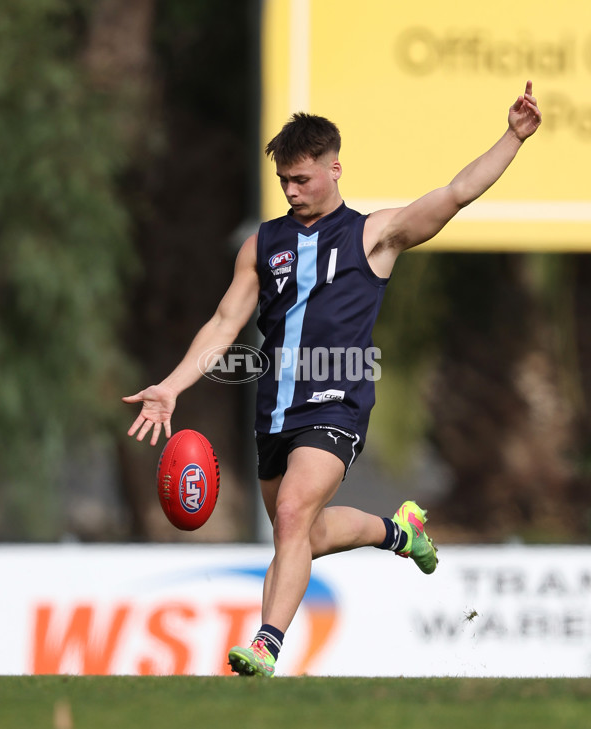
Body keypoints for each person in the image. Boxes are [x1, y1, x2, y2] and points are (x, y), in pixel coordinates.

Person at [123, 81, 542, 677]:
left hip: (337, 401)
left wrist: (513, 138)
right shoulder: (261, 245)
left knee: (292, 515)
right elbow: (223, 322)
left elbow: (456, 193)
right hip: (275, 410)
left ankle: (266, 644)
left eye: (302, 179)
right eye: (284, 183)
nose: (292, 192)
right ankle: (398, 531)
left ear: (333, 167)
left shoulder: (374, 235)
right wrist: (171, 386)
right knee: (306, 532)